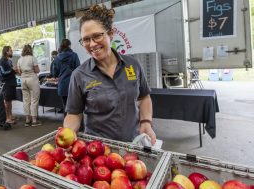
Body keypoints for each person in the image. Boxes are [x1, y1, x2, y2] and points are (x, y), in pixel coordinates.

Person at [63, 4, 156, 145]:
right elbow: (74, 114)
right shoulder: (79, 75)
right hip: (98, 152)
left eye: (97, 36)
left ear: (110, 34)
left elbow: (144, 97)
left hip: (133, 144)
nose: (92, 44)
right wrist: (67, 135)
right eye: (86, 39)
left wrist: (146, 122)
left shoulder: (132, 65)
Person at [53, 39, 80, 117]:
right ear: (69, 46)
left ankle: (67, 125)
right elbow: (78, 69)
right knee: (75, 106)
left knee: (65, 106)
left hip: (62, 85)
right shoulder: (74, 55)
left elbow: (55, 73)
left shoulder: (57, 58)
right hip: (73, 84)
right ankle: (77, 125)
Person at [17, 44, 41, 127]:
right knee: (34, 99)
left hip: (23, 80)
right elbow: (37, 70)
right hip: (32, 79)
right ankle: (34, 120)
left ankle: (27, 120)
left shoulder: (20, 60)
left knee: (26, 100)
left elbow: (19, 72)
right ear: (30, 50)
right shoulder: (32, 58)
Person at [0, 46, 17, 125]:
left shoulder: (9, 61)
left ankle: (10, 115)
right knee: (7, 101)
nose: (12, 52)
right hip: (6, 83)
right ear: (6, 52)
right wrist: (13, 70)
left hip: (11, 82)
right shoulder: (2, 61)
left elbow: (11, 72)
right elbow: (3, 73)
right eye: (10, 51)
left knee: (10, 101)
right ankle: (7, 118)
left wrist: (15, 70)